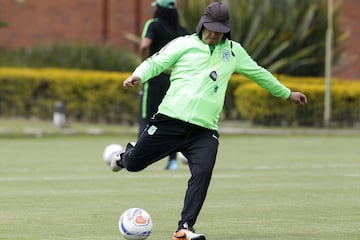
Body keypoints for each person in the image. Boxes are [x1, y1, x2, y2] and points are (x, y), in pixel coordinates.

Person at [109, 2, 307, 240]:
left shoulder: (234, 52)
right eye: (210, 28)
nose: (213, 34)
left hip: (204, 131)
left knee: (202, 172)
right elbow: (155, 62)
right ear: (202, 24)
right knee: (133, 165)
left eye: (219, 30)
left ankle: (184, 227)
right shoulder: (184, 44)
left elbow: (259, 73)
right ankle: (123, 156)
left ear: (227, 29)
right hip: (169, 121)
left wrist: (288, 93)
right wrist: (138, 75)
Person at [138, 0, 188, 170]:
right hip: (175, 81)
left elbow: (145, 45)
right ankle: (172, 161)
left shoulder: (154, 25)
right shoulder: (182, 31)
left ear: (159, 9)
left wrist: (145, 63)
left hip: (155, 77)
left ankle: (138, 158)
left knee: (146, 117)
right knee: (172, 119)